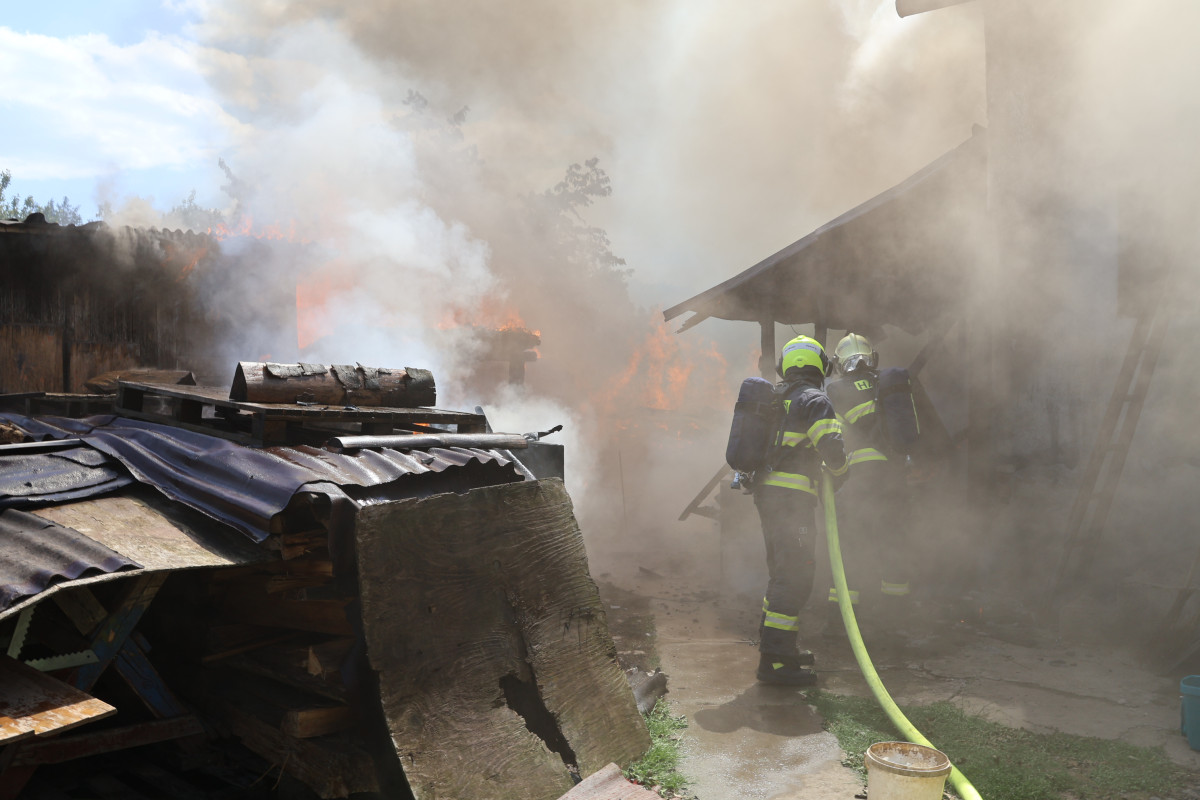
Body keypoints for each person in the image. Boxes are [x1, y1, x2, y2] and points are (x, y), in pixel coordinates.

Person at [752, 334, 848, 685]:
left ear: (785, 366)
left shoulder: (774, 400)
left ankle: (778, 648)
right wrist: (842, 473)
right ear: (821, 366)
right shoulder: (814, 400)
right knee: (795, 577)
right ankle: (775, 663)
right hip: (792, 501)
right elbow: (833, 451)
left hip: (767, 497)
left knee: (781, 574)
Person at [824, 332, 918, 635]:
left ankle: (842, 623)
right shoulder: (887, 386)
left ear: (839, 363)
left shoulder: (835, 390)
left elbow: (830, 437)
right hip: (893, 477)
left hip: (858, 479)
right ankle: (894, 619)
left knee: (850, 546)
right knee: (894, 543)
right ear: (872, 358)